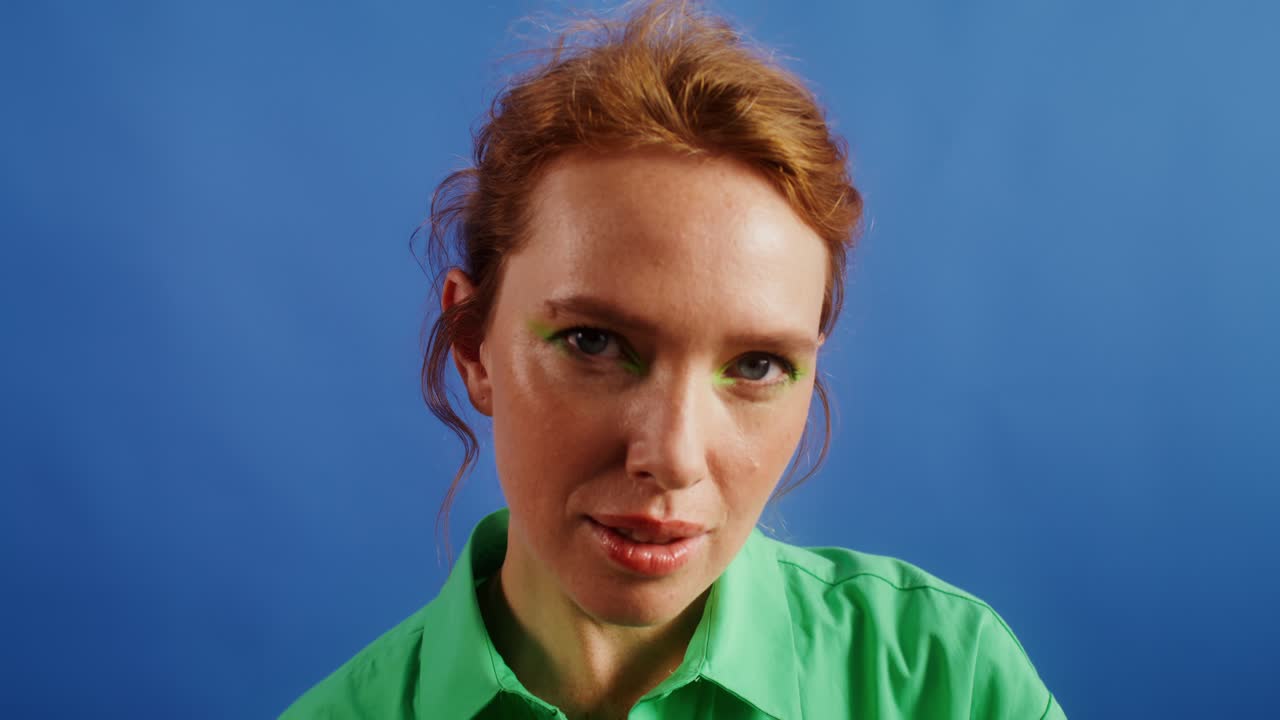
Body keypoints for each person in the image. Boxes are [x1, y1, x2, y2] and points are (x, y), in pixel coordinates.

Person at [281, 1, 1067, 718]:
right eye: (593, 342)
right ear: (471, 344)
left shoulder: (948, 682)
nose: (674, 457)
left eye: (756, 366)